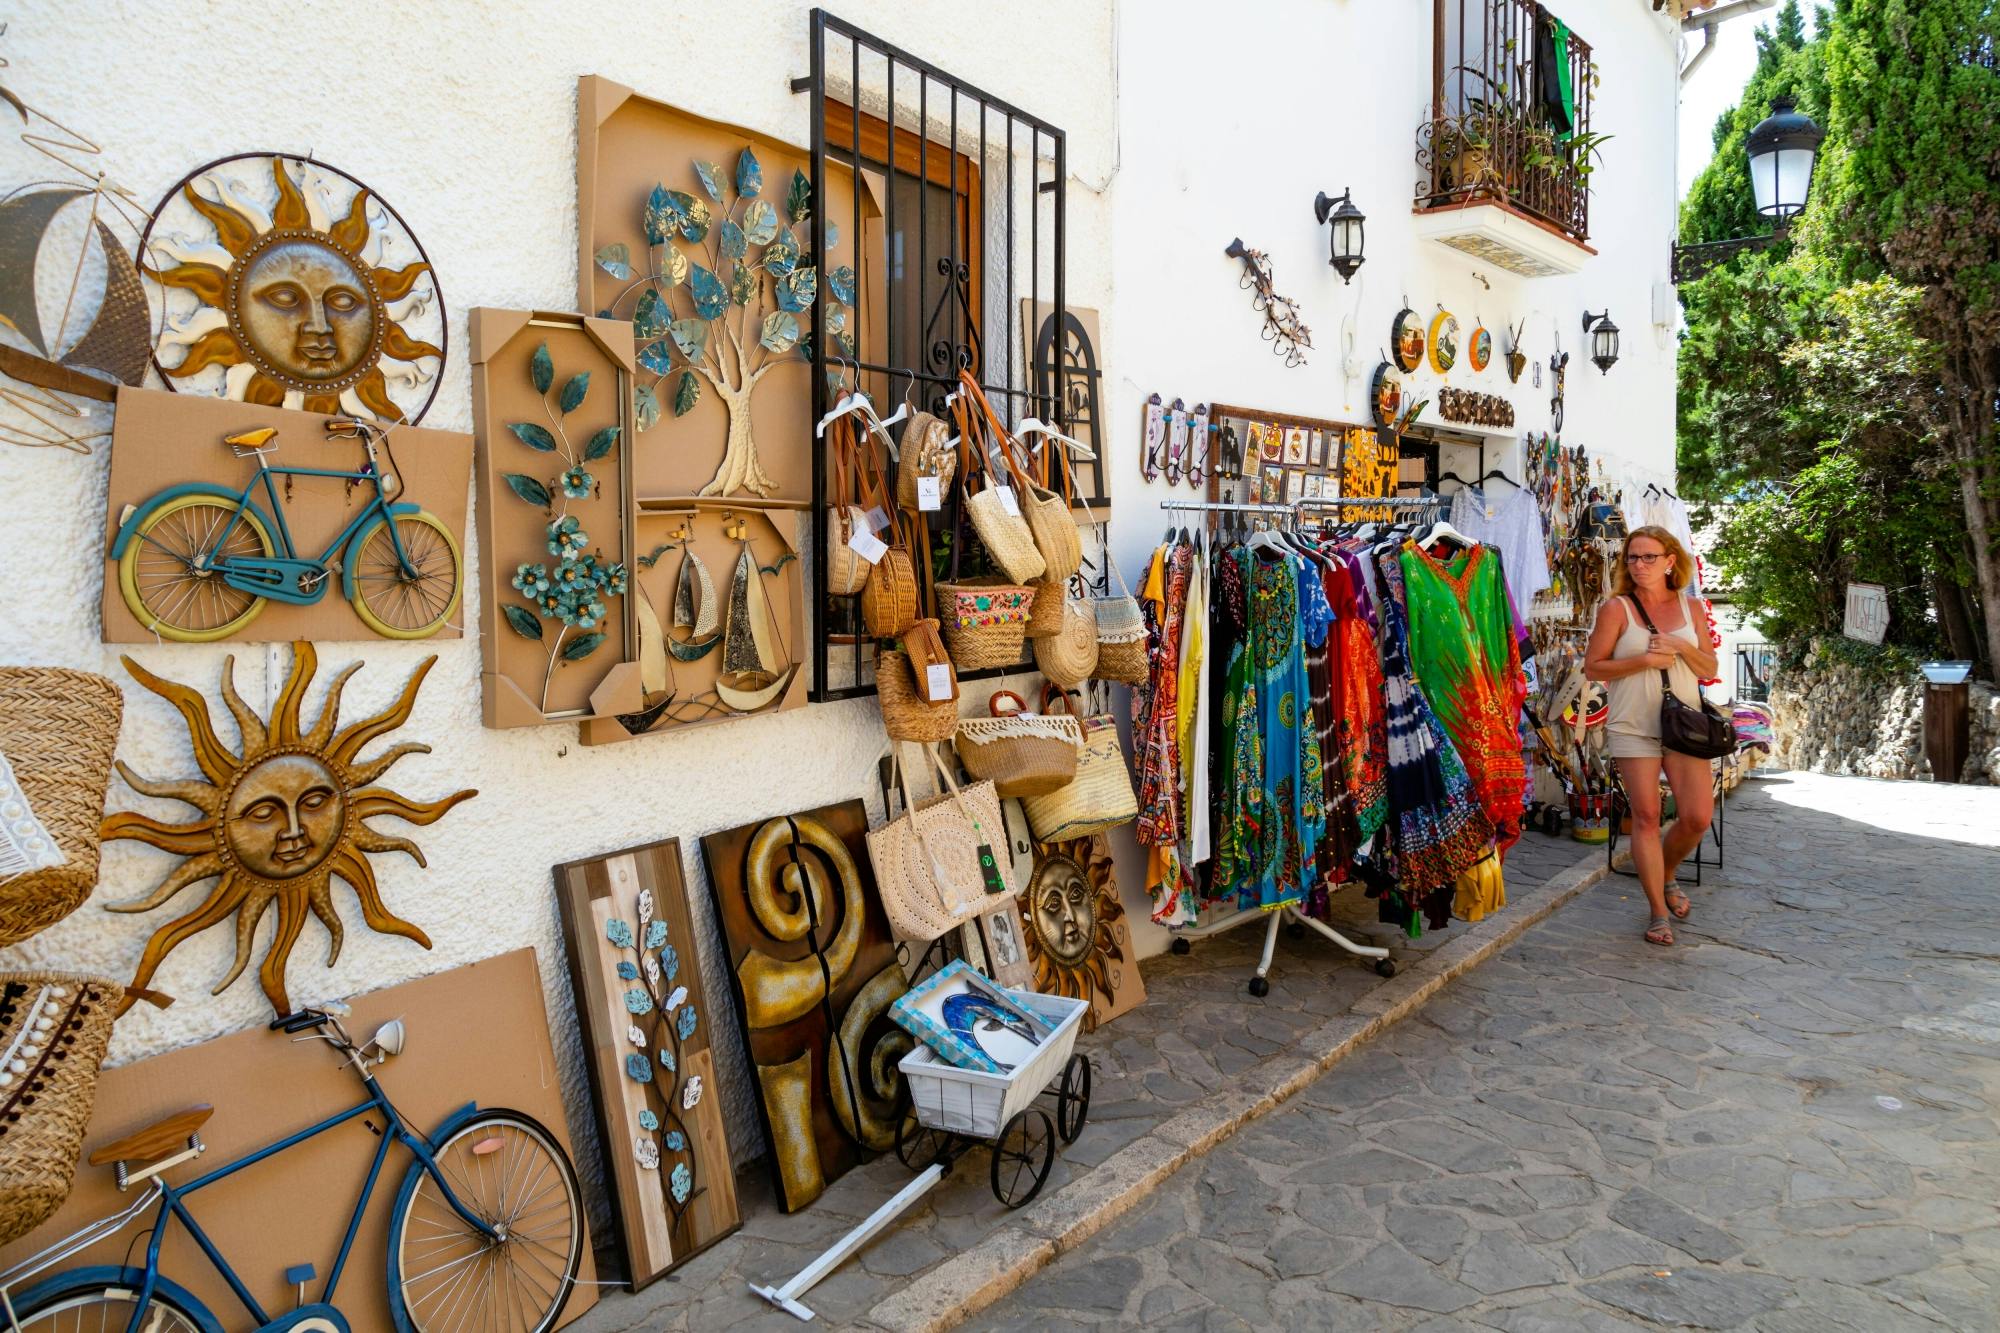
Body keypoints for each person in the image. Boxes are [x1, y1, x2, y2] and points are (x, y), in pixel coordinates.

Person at [1583, 525, 1720, 946]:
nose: (1639, 565)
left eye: (1648, 557)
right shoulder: (1617, 609)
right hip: (1633, 725)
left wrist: (1679, 648)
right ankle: (1657, 912)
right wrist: (1643, 659)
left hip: (1684, 724)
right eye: (1632, 558)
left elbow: (1709, 670)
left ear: (1670, 561)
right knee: (1644, 817)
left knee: (1697, 816)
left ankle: (1668, 872)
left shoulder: (1691, 607)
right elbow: (1594, 668)